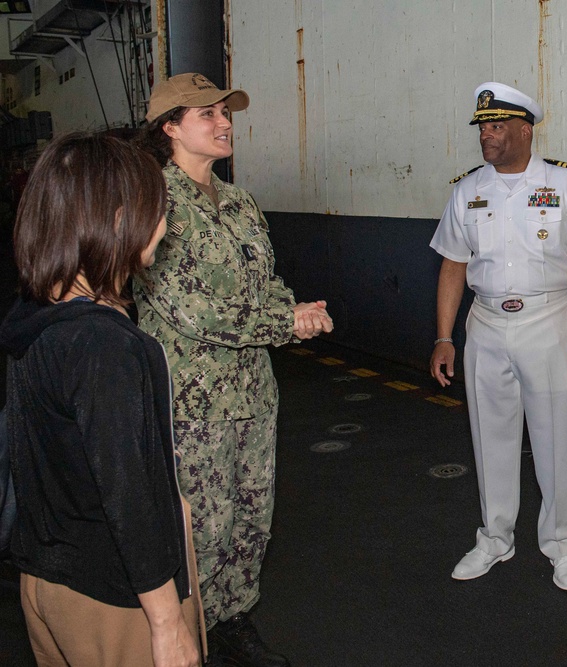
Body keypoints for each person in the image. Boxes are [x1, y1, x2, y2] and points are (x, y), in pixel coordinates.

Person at [136, 73, 333, 667]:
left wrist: (296, 307)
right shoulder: (154, 203)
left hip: (252, 392)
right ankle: (184, 634)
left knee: (251, 517)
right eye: (206, 115)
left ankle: (230, 626)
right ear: (169, 127)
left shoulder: (240, 202)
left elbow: (264, 282)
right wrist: (285, 323)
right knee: (200, 527)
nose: (224, 123)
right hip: (193, 402)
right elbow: (193, 307)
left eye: (226, 112)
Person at [0, 132, 202, 667]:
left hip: (46, 579)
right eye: (157, 210)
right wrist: (166, 623)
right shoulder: (105, 345)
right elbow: (127, 489)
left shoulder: (34, 317)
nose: (165, 225)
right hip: (117, 596)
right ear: (117, 220)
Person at [429, 82, 567, 590]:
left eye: (496, 126)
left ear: (524, 130)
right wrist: (444, 337)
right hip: (485, 323)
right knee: (491, 437)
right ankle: (495, 537)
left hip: (549, 321)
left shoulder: (565, 185)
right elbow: (451, 266)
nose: (486, 135)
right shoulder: (468, 189)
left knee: (554, 438)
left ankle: (561, 545)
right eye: (482, 127)